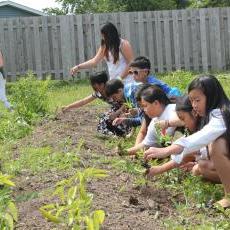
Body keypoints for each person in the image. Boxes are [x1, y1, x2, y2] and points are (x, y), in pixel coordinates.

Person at [144, 75, 230, 208]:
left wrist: (165, 150)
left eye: (197, 100)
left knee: (216, 146)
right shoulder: (212, 115)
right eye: (192, 101)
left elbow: (202, 137)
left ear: (211, 96)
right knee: (202, 165)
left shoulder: (221, 115)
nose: (194, 105)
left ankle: (229, 196)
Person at [147, 95, 219, 183]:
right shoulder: (197, 125)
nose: (183, 123)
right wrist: (159, 169)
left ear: (194, 113)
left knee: (201, 167)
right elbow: (185, 151)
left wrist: (165, 151)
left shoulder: (210, 128)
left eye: (183, 119)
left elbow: (188, 147)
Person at [62, 71, 130, 136]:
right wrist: (68, 107)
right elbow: (83, 101)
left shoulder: (112, 88)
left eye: (94, 84)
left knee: (119, 118)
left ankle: (124, 132)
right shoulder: (98, 93)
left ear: (102, 84)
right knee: (105, 118)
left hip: (126, 108)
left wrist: (117, 112)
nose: (93, 86)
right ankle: (111, 134)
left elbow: (128, 101)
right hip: (116, 109)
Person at [126, 84, 178, 155]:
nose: (143, 109)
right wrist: (124, 152)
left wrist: (167, 123)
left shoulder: (172, 108)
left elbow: (183, 120)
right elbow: (145, 144)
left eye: (145, 106)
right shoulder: (154, 121)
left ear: (156, 103)